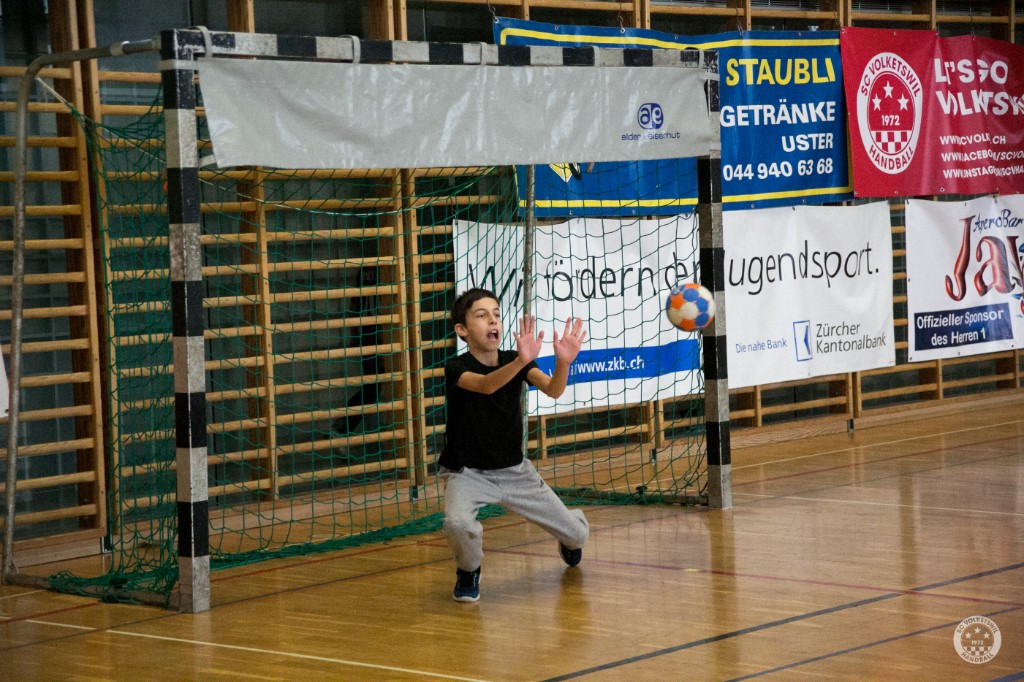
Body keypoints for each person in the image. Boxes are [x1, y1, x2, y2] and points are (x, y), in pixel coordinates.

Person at [439, 287, 590, 603]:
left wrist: (563, 363)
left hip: (515, 472)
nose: (492, 320)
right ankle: (468, 571)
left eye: (496, 314)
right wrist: (522, 360)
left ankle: (571, 532)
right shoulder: (456, 367)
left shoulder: (515, 360)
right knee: (457, 523)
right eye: (482, 315)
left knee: (578, 535)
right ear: (462, 330)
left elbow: (553, 390)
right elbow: (486, 385)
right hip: (467, 473)